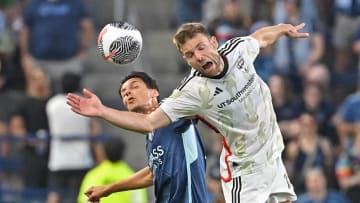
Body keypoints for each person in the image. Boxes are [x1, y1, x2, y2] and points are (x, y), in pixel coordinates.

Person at [67, 22, 309, 202]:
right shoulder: (190, 94)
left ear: (215, 42)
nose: (199, 57)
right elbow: (150, 132)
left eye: (201, 47)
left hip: (272, 158)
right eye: (190, 55)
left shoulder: (237, 50)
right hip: (245, 171)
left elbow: (260, 38)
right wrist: (101, 111)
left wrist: (283, 28)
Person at [83, 72, 208, 203]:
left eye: (134, 87)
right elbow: (151, 174)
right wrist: (108, 189)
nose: (127, 93)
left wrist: (102, 111)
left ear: (154, 92)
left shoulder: (174, 112)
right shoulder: (151, 137)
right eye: (123, 92)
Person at [45, 72, 104, 203]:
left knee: (54, 194)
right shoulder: (84, 103)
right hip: (81, 159)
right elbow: (94, 129)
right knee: (81, 195)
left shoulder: (52, 104)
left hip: (58, 159)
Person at [78, 136, 148, 203]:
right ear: (123, 152)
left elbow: (85, 200)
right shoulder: (134, 177)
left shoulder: (93, 175)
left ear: (104, 151)